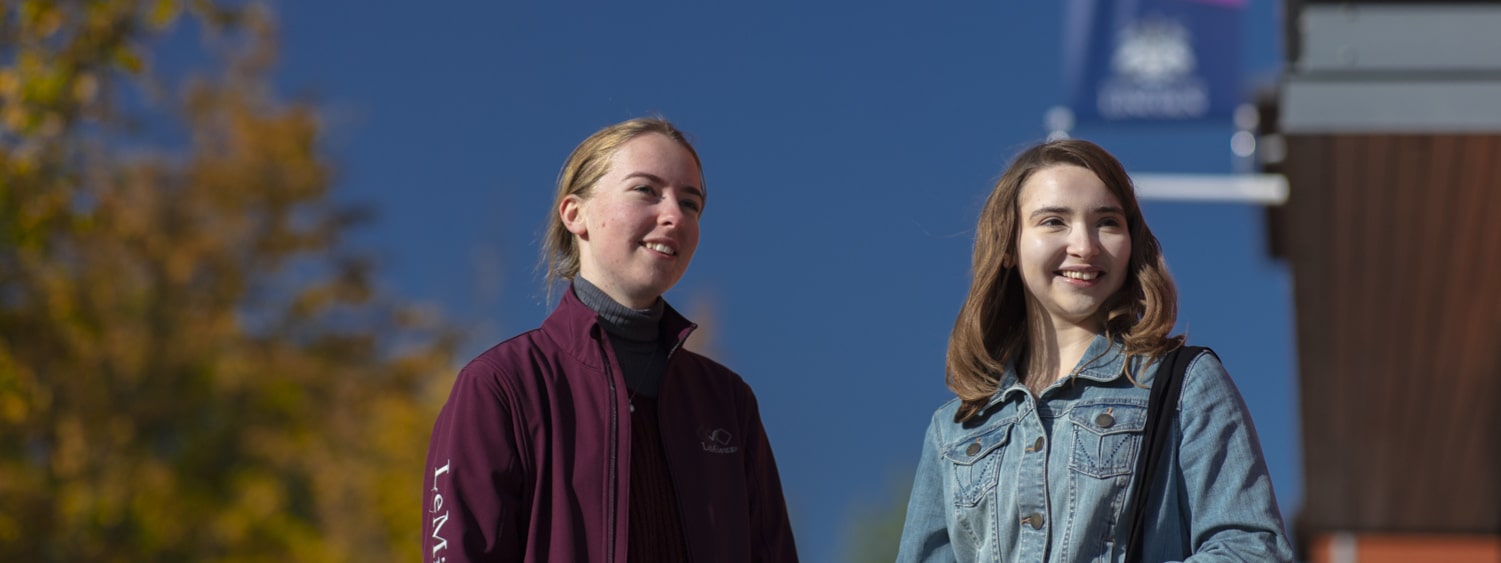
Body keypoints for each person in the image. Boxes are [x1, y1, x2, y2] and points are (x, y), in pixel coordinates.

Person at [896, 139, 1293, 562]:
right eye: (1054, 221)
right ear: (1009, 245)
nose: (1085, 246)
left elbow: (1253, 550)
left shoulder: (1184, 385)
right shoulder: (955, 430)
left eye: (1107, 222)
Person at [423, 117, 799, 563]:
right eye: (646, 190)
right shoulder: (501, 386)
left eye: (690, 203)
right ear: (575, 214)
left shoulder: (728, 402)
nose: (674, 215)